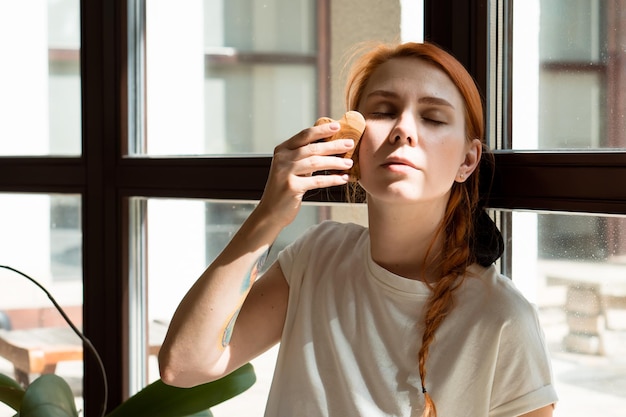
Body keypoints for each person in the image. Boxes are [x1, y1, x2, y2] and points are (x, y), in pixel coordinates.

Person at [158, 42, 558, 417]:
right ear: (352, 148)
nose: (404, 129)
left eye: (433, 117)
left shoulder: (502, 318)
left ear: (467, 162)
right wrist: (269, 215)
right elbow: (184, 365)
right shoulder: (316, 256)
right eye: (383, 111)